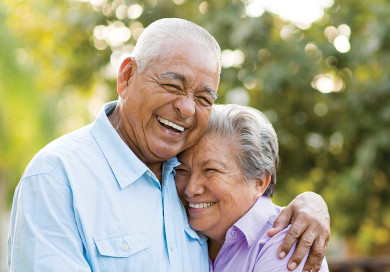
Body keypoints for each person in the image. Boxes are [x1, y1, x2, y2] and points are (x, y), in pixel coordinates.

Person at [8, 18, 330, 272]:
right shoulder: (57, 177)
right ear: (127, 77)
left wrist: (311, 203)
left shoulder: (187, 180)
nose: (187, 108)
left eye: (204, 98)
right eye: (172, 85)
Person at [175, 104, 329, 271]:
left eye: (211, 170)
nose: (191, 189)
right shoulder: (181, 226)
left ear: (259, 181)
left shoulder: (287, 242)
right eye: (182, 170)